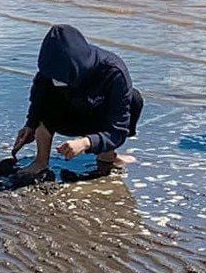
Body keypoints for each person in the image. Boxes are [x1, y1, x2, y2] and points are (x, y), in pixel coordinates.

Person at [10, 25, 144, 178]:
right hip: (69, 117)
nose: (57, 81)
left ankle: (107, 155)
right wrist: (30, 125)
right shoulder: (49, 68)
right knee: (44, 102)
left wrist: (86, 143)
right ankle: (41, 161)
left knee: (134, 99)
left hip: (99, 119)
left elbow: (118, 130)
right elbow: (38, 101)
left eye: (62, 79)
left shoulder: (113, 72)